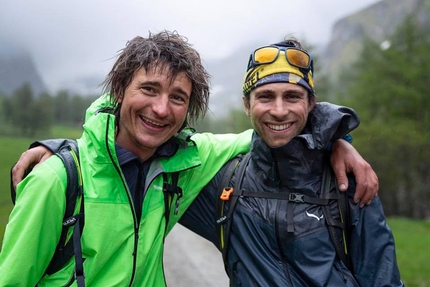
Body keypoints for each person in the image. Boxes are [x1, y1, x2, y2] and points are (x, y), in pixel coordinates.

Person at [3, 31, 378, 286]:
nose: (161, 109)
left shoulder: (183, 163)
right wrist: (58, 148)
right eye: (149, 89)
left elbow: (272, 133)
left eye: (178, 98)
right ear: (119, 89)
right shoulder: (56, 180)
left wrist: (336, 138)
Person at [179, 39, 403, 286]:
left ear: (311, 104)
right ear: (246, 105)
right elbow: (158, 145)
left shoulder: (347, 183)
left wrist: (335, 137)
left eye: (292, 96)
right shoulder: (224, 183)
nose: (278, 110)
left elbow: (383, 280)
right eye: (265, 96)